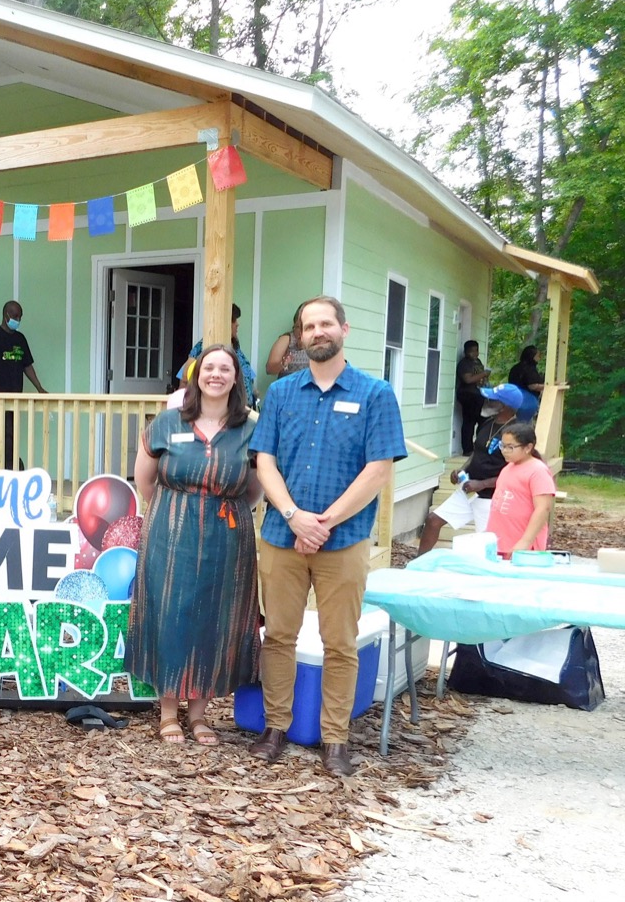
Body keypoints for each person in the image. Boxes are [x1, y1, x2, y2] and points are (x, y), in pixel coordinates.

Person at [249, 296, 406, 776]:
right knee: (278, 636)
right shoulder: (280, 393)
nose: (317, 332)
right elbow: (265, 461)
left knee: (341, 641)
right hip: (282, 534)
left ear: (344, 328)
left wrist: (323, 523)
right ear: (299, 337)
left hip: (344, 540)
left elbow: (377, 469)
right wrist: (296, 516)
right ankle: (276, 726)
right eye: (308, 326)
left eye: (325, 323)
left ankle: (335, 738)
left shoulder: (375, 393)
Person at [125, 344, 262, 746]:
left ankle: (200, 715)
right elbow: (145, 481)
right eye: (209, 367)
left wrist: (217, 504)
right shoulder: (168, 423)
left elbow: (253, 490)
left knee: (212, 617)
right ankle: (168, 712)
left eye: (225, 368)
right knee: (169, 612)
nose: (216, 374)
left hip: (226, 535)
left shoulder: (250, 429)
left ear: (236, 378)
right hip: (170, 529)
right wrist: (177, 508)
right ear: (196, 375)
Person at [417, 383, 522, 555]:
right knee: (433, 520)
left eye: (492, 399)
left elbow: (516, 473)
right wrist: (461, 470)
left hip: (492, 498)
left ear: (504, 406)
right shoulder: (487, 423)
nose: (486, 401)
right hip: (469, 489)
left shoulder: (516, 433)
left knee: (488, 544)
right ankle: (416, 566)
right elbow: (477, 452)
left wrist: (482, 484)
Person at [0, 300, 46, 470]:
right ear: (6, 315)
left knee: (9, 435)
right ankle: (12, 467)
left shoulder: (20, 339)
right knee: (5, 434)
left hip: (15, 396)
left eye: (20, 316)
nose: (18, 319)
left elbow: (27, 366)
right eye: (15, 316)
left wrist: (39, 387)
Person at [486, 422, 557, 557]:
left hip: (520, 546)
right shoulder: (508, 468)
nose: (504, 451)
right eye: (502, 446)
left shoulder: (538, 470)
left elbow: (543, 509)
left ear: (528, 447)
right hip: (500, 543)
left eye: (510, 447)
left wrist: (525, 542)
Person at [178, 304, 257, 407]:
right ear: (224, 323)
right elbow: (185, 376)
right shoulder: (205, 345)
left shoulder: (236, 347)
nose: (237, 324)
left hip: (244, 409)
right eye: (233, 320)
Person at [456, 339, 491, 454]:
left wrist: (485, 379)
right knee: (469, 422)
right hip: (468, 396)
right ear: (466, 352)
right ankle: (468, 449)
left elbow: (480, 377)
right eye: (472, 351)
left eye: (476, 351)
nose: (475, 353)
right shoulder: (464, 364)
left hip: (479, 394)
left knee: (484, 421)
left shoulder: (478, 362)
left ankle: (479, 447)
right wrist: (483, 374)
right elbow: (468, 379)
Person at [265, 304, 310, 379]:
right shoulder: (287, 339)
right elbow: (270, 369)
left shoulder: (316, 340)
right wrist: (283, 364)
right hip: (288, 385)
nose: (301, 331)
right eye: (298, 327)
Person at [507, 345, 544, 422]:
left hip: (513, 400)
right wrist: (546, 386)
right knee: (524, 425)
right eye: (538, 355)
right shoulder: (529, 368)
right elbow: (532, 386)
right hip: (526, 402)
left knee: (514, 423)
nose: (539, 358)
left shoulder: (515, 367)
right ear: (532, 356)